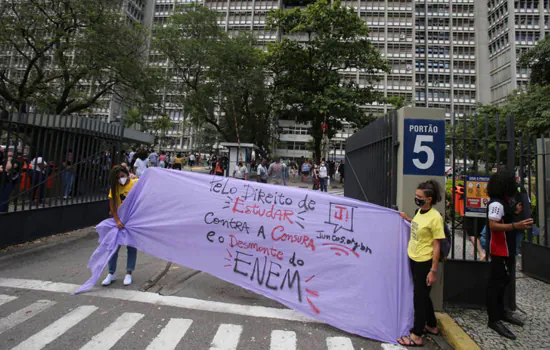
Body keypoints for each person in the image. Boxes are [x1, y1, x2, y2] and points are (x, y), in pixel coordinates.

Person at [398, 180, 446, 347]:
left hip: (424, 262)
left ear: (429, 199)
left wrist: (433, 270)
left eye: (420, 197)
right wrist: (408, 219)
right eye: (416, 196)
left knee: (419, 298)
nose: (416, 198)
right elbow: (419, 226)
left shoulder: (435, 218)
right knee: (423, 294)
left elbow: (437, 244)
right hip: (414, 257)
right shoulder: (420, 212)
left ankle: (417, 334)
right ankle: (431, 325)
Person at [485, 171, 532, 340]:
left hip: (507, 249)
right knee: (496, 284)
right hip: (500, 250)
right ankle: (494, 319)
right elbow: (493, 225)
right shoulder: (496, 204)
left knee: (503, 281)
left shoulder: (503, 203)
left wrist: (513, 211)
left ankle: (501, 312)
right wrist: (516, 224)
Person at [102, 165, 139, 287]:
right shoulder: (114, 188)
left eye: (122, 176)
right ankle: (111, 273)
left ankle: (129, 273)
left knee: (131, 247)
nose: (120, 179)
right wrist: (117, 220)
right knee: (113, 247)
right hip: (118, 221)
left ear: (127, 174)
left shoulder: (135, 183)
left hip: (132, 221)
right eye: (117, 178)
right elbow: (112, 207)